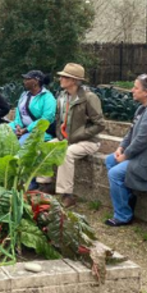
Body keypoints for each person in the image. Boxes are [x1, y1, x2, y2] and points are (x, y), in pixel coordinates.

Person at [102, 74, 147, 228]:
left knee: (115, 174)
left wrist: (126, 156)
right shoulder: (142, 108)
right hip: (143, 155)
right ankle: (128, 196)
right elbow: (131, 132)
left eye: (136, 88)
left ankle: (123, 216)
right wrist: (121, 147)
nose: (132, 90)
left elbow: (142, 139)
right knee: (110, 160)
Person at [42, 62, 106, 208]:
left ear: (74, 81)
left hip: (88, 141)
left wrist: (79, 135)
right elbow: (58, 119)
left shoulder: (89, 98)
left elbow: (100, 124)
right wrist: (60, 135)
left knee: (67, 154)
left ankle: (67, 195)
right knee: (45, 147)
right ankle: (45, 185)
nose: (60, 79)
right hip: (66, 139)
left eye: (64, 77)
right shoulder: (62, 97)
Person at [8, 70, 57, 145]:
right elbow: (19, 113)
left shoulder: (48, 97)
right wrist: (18, 126)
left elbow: (47, 118)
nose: (24, 81)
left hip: (38, 131)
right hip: (21, 128)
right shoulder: (24, 95)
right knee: (1, 133)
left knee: (21, 145)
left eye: (27, 79)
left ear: (36, 81)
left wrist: (27, 129)